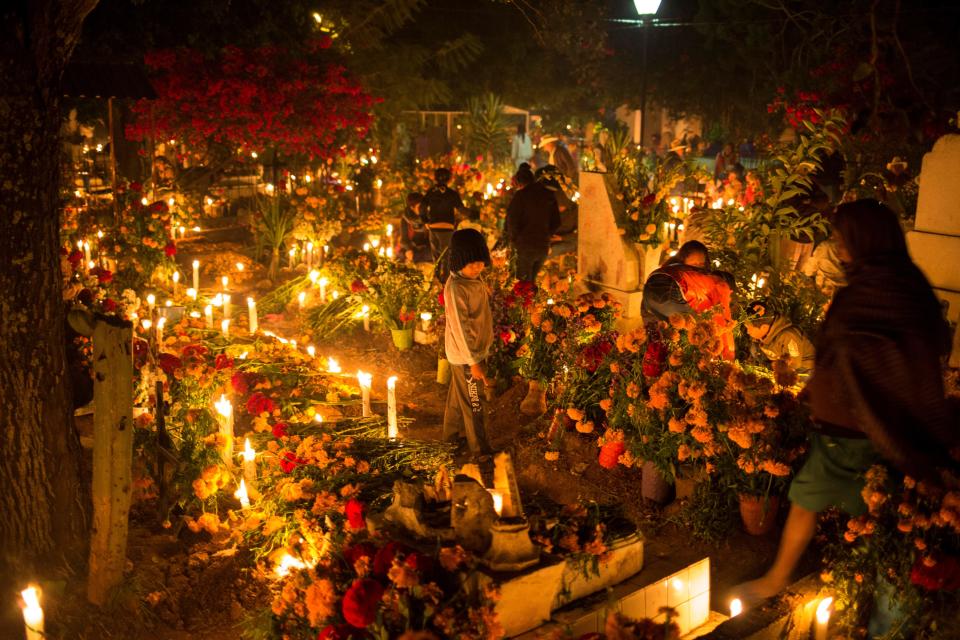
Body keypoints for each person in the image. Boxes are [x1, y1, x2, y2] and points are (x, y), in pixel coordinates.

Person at [735, 199, 957, 604]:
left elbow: (899, 356)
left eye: (842, 240)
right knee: (845, 505)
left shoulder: (878, 290)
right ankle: (859, 590)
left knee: (845, 506)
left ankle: (858, 593)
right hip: (855, 423)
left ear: (866, 240)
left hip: (861, 425)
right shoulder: (898, 285)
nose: (838, 249)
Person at [442, 229, 495, 457]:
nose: (477, 268)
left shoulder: (472, 280)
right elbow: (461, 328)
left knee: (458, 398)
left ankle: (450, 440)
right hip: (466, 356)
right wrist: (473, 361)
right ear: (460, 262)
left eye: (480, 263)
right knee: (474, 403)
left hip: (471, 353)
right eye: (472, 264)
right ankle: (480, 450)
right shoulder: (456, 288)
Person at [641, 241, 735, 358]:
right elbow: (723, 320)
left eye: (701, 264)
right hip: (669, 289)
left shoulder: (672, 271)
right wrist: (728, 355)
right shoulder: (719, 283)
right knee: (699, 333)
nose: (696, 268)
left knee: (661, 338)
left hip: (653, 287)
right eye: (693, 264)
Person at [506, 166, 561, 284]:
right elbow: (557, 221)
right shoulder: (548, 195)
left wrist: (514, 239)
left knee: (522, 285)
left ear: (519, 183)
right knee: (531, 283)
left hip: (524, 245)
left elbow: (512, 221)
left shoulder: (520, 196)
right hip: (542, 246)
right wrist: (546, 234)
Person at [744, 299, 816, 385]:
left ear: (763, 327)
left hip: (804, 369)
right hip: (778, 363)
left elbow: (794, 364)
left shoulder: (787, 336)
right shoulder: (761, 336)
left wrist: (778, 371)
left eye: (749, 328)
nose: (747, 331)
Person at [420, 167, 464, 282]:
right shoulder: (453, 194)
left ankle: (435, 280)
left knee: (436, 257)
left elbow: (422, 207)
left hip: (433, 227)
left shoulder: (430, 192)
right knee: (446, 256)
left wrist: (425, 221)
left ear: (435, 179)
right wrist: (476, 214)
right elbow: (461, 209)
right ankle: (445, 283)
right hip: (447, 227)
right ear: (449, 180)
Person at [398, 192, 430, 263]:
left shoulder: (428, 217)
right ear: (412, 208)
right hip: (412, 248)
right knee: (401, 254)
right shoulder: (406, 219)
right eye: (419, 207)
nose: (423, 209)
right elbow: (404, 239)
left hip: (426, 249)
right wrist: (409, 250)